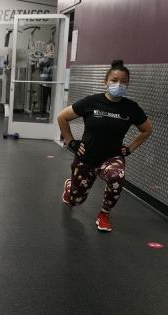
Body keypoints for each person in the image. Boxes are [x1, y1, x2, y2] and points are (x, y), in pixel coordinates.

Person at [57, 59, 154, 232]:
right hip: (87, 157)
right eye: (115, 80)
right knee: (76, 200)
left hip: (111, 157)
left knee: (117, 177)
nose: (119, 84)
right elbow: (62, 117)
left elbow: (147, 129)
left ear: (128, 84)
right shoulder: (91, 102)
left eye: (123, 82)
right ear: (106, 82)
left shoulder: (131, 108)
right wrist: (71, 142)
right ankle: (70, 187)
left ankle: (104, 214)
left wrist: (130, 148)